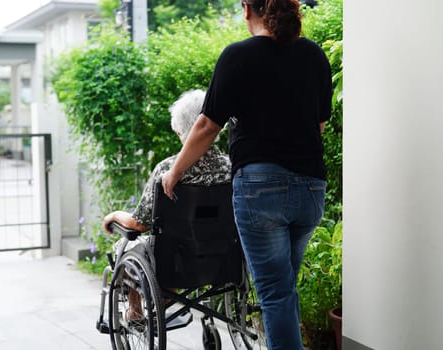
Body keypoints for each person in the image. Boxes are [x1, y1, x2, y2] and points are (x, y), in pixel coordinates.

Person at [161, 1, 332, 349]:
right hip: (310, 189)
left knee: (276, 293)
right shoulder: (314, 55)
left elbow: (208, 125)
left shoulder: (237, 56)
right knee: (283, 289)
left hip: (261, 189)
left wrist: (175, 171)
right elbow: (320, 124)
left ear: (246, 9)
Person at [102, 89, 231, 320]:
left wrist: (113, 216)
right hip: (221, 258)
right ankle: (166, 297)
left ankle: (135, 311)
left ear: (182, 133)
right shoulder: (231, 167)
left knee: (127, 245)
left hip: (176, 263)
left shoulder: (169, 170)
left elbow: (138, 224)